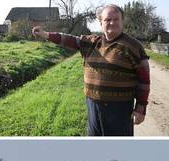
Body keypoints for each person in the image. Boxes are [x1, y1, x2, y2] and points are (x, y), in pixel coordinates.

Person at [32, 4, 150, 136]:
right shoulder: (91, 42)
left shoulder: (134, 46)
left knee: (118, 148)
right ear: (101, 22)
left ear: (122, 21)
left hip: (120, 109)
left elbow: (144, 81)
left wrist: (140, 109)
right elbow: (68, 40)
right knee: (94, 144)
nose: (112, 22)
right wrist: (46, 34)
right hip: (92, 105)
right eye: (107, 20)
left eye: (116, 19)